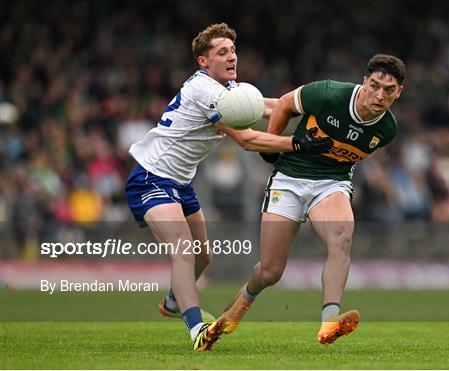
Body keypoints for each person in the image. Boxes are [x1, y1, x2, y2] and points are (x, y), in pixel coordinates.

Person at [124, 23, 332, 352]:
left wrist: (314, 107)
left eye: (233, 50)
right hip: (150, 177)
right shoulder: (205, 91)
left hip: (180, 182)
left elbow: (269, 106)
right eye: (222, 52)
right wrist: (296, 143)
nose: (232, 56)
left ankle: (173, 302)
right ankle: (198, 331)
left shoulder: (229, 88)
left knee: (203, 258)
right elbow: (247, 140)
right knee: (183, 248)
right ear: (203, 62)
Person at [219, 54, 406, 345]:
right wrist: (271, 145)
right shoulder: (328, 93)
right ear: (364, 81)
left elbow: (345, 157)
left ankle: (329, 321)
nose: (380, 95)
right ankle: (240, 304)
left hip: (331, 184)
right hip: (290, 177)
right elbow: (282, 104)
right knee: (269, 272)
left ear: (399, 93)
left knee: (342, 236)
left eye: (389, 90)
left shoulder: (387, 129)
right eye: (375, 85)